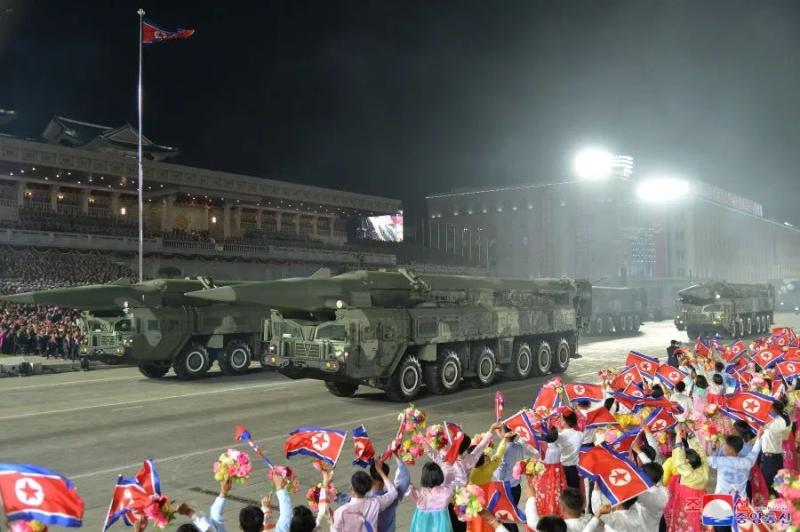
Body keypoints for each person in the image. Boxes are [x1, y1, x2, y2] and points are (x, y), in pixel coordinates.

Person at [331, 459, 397, 532]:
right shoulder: (376, 503)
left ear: (351, 487)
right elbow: (393, 492)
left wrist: (330, 518)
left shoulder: (341, 512)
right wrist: (380, 471)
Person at [663, 426, 707, 532]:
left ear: (687, 462)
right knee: (697, 520)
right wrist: (689, 432)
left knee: (688, 522)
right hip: (699, 498)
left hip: (687, 500)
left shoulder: (688, 473)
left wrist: (678, 434)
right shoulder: (703, 466)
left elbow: (679, 460)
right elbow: (700, 450)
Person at [492, 425, 529, 532]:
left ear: (505, 434)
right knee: (511, 515)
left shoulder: (503, 451)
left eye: (500, 431)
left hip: (506, 489)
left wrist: (492, 468)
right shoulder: (518, 446)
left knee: (506, 518)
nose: (498, 432)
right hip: (516, 487)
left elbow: (500, 474)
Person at [408, 461, 455, 532]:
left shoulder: (420, 493)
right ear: (440, 475)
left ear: (424, 477)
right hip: (440, 524)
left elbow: (409, 489)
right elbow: (454, 484)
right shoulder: (446, 492)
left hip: (421, 523)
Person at [543, 410, 583, 491]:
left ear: (564, 421)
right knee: (575, 492)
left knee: (564, 493)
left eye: (561, 418)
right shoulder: (580, 435)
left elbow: (548, 442)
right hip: (575, 469)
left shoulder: (559, 437)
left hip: (562, 468)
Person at [760, 400, 790, 495]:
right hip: (777, 458)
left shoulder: (771, 421)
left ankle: (773, 503)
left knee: (768, 486)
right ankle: (777, 502)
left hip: (770, 459)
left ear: (774, 409)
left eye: (770, 407)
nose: (768, 409)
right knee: (777, 487)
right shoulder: (782, 421)